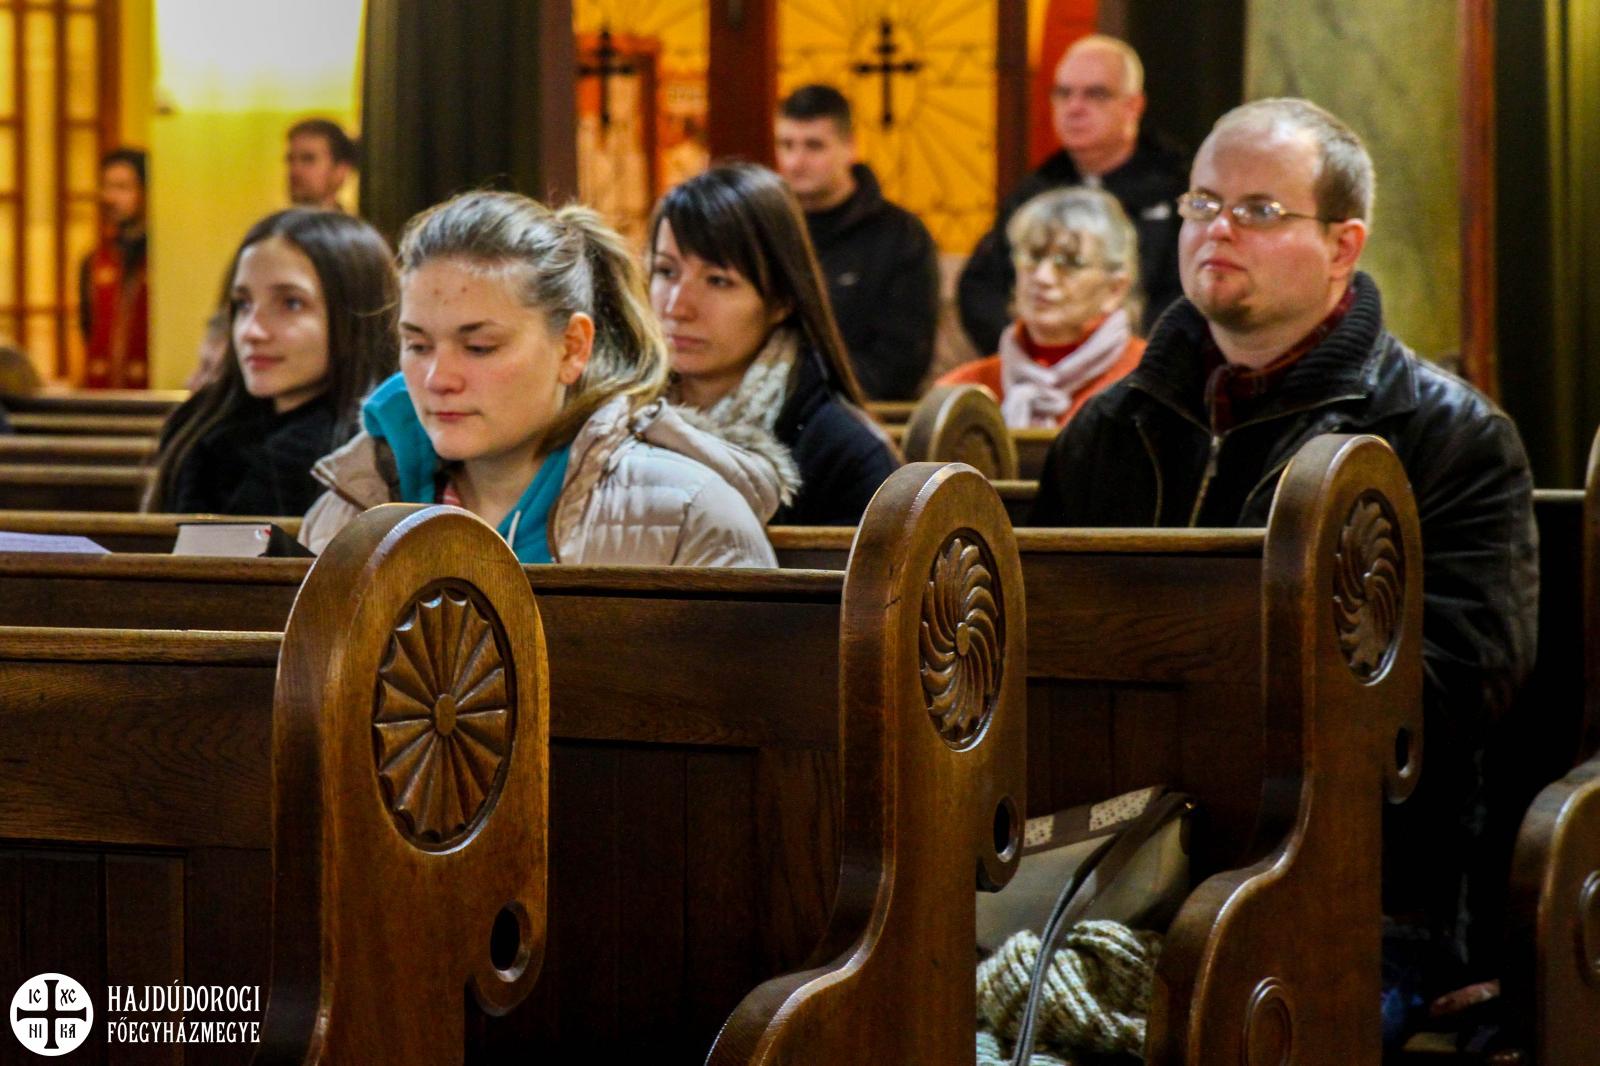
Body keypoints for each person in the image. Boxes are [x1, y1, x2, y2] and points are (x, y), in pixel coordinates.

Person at [1028, 98, 1538, 1047]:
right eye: (1202, 204)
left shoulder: (1448, 437)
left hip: (1366, 899)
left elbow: (1461, 686)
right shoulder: (1107, 431)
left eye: (1259, 210)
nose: (1217, 229)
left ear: (1344, 245)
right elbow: (1042, 657)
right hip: (1110, 878)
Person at [299, 191, 783, 567]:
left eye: (479, 347)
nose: (438, 378)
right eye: (418, 345)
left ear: (572, 348)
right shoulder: (352, 506)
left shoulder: (689, 516)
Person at [649, 163, 900, 526]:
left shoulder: (847, 458)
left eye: (718, 280)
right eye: (666, 272)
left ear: (782, 299)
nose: (677, 307)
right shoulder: (614, 424)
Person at [145, 209, 397, 515]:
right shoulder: (199, 432)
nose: (251, 331)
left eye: (291, 303)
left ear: (355, 314)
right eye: (243, 303)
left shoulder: (374, 459)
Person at [957, 35, 1185, 353]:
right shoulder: (1035, 192)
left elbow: (1187, 293)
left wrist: (1134, 355)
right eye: (1063, 93)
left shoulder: (1177, 189)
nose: (1074, 108)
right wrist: (1026, 348)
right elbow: (981, 288)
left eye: (1096, 94)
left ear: (1133, 106)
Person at [775, 85, 939, 401]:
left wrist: (808, 390)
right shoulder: (765, 229)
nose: (795, 162)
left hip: (864, 408)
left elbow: (902, 361)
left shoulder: (900, 236)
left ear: (850, 147)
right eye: (786, 144)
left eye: (814, 146)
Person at [937, 186, 1145, 428]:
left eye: (1070, 263)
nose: (1043, 277)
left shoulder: (1151, 384)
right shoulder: (961, 391)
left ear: (1115, 289)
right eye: (1033, 257)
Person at [79, 147, 149, 388]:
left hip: (150, 392)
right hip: (101, 391)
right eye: (106, 187)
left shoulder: (163, 260)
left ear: (145, 193)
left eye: (122, 187)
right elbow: (87, 327)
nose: (109, 198)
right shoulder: (93, 261)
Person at [286, 118, 356, 211]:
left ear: (341, 170)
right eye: (291, 160)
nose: (295, 170)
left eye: (308, 159)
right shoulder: (278, 220)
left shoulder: (350, 222)